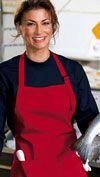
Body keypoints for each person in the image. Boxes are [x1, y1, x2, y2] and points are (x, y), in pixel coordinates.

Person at [0, 0, 99, 177]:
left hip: (68, 167)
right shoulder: (6, 73)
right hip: (27, 169)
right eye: (31, 24)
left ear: (53, 26)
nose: (39, 31)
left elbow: (89, 120)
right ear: (19, 27)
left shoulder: (72, 70)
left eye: (45, 23)